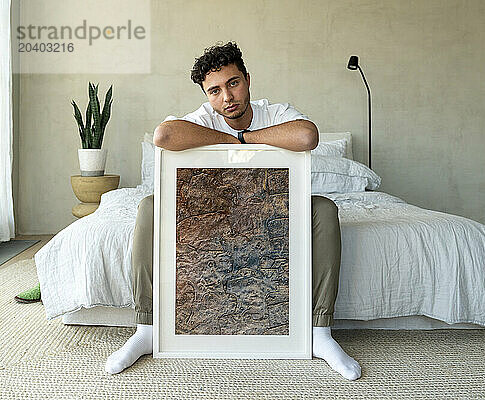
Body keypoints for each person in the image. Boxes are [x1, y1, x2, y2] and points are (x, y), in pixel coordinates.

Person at [105, 42, 361, 380]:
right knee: (149, 206)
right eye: (215, 90)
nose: (227, 96)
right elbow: (165, 134)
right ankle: (147, 328)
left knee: (324, 209)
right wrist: (232, 141)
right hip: (217, 212)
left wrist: (245, 137)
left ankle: (319, 332)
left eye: (233, 83)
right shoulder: (204, 118)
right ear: (207, 95)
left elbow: (306, 135)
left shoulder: (276, 112)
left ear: (247, 79)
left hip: (276, 206)